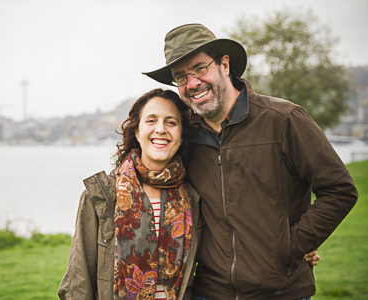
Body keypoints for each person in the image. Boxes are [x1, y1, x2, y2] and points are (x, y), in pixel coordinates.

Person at [143, 24, 358, 299]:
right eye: (180, 77)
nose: (192, 83)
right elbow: (149, 168)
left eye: (199, 68)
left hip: (281, 292)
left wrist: (291, 247)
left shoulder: (283, 119)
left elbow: (339, 190)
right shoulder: (184, 136)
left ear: (224, 64)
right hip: (208, 292)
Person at [58, 88, 203, 299]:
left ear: (181, 136)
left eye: (171, 122)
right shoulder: (101, 195)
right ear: (137, 132)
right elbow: (78, 281)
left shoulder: (193, 198)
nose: (161, 129)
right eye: (151, 121)